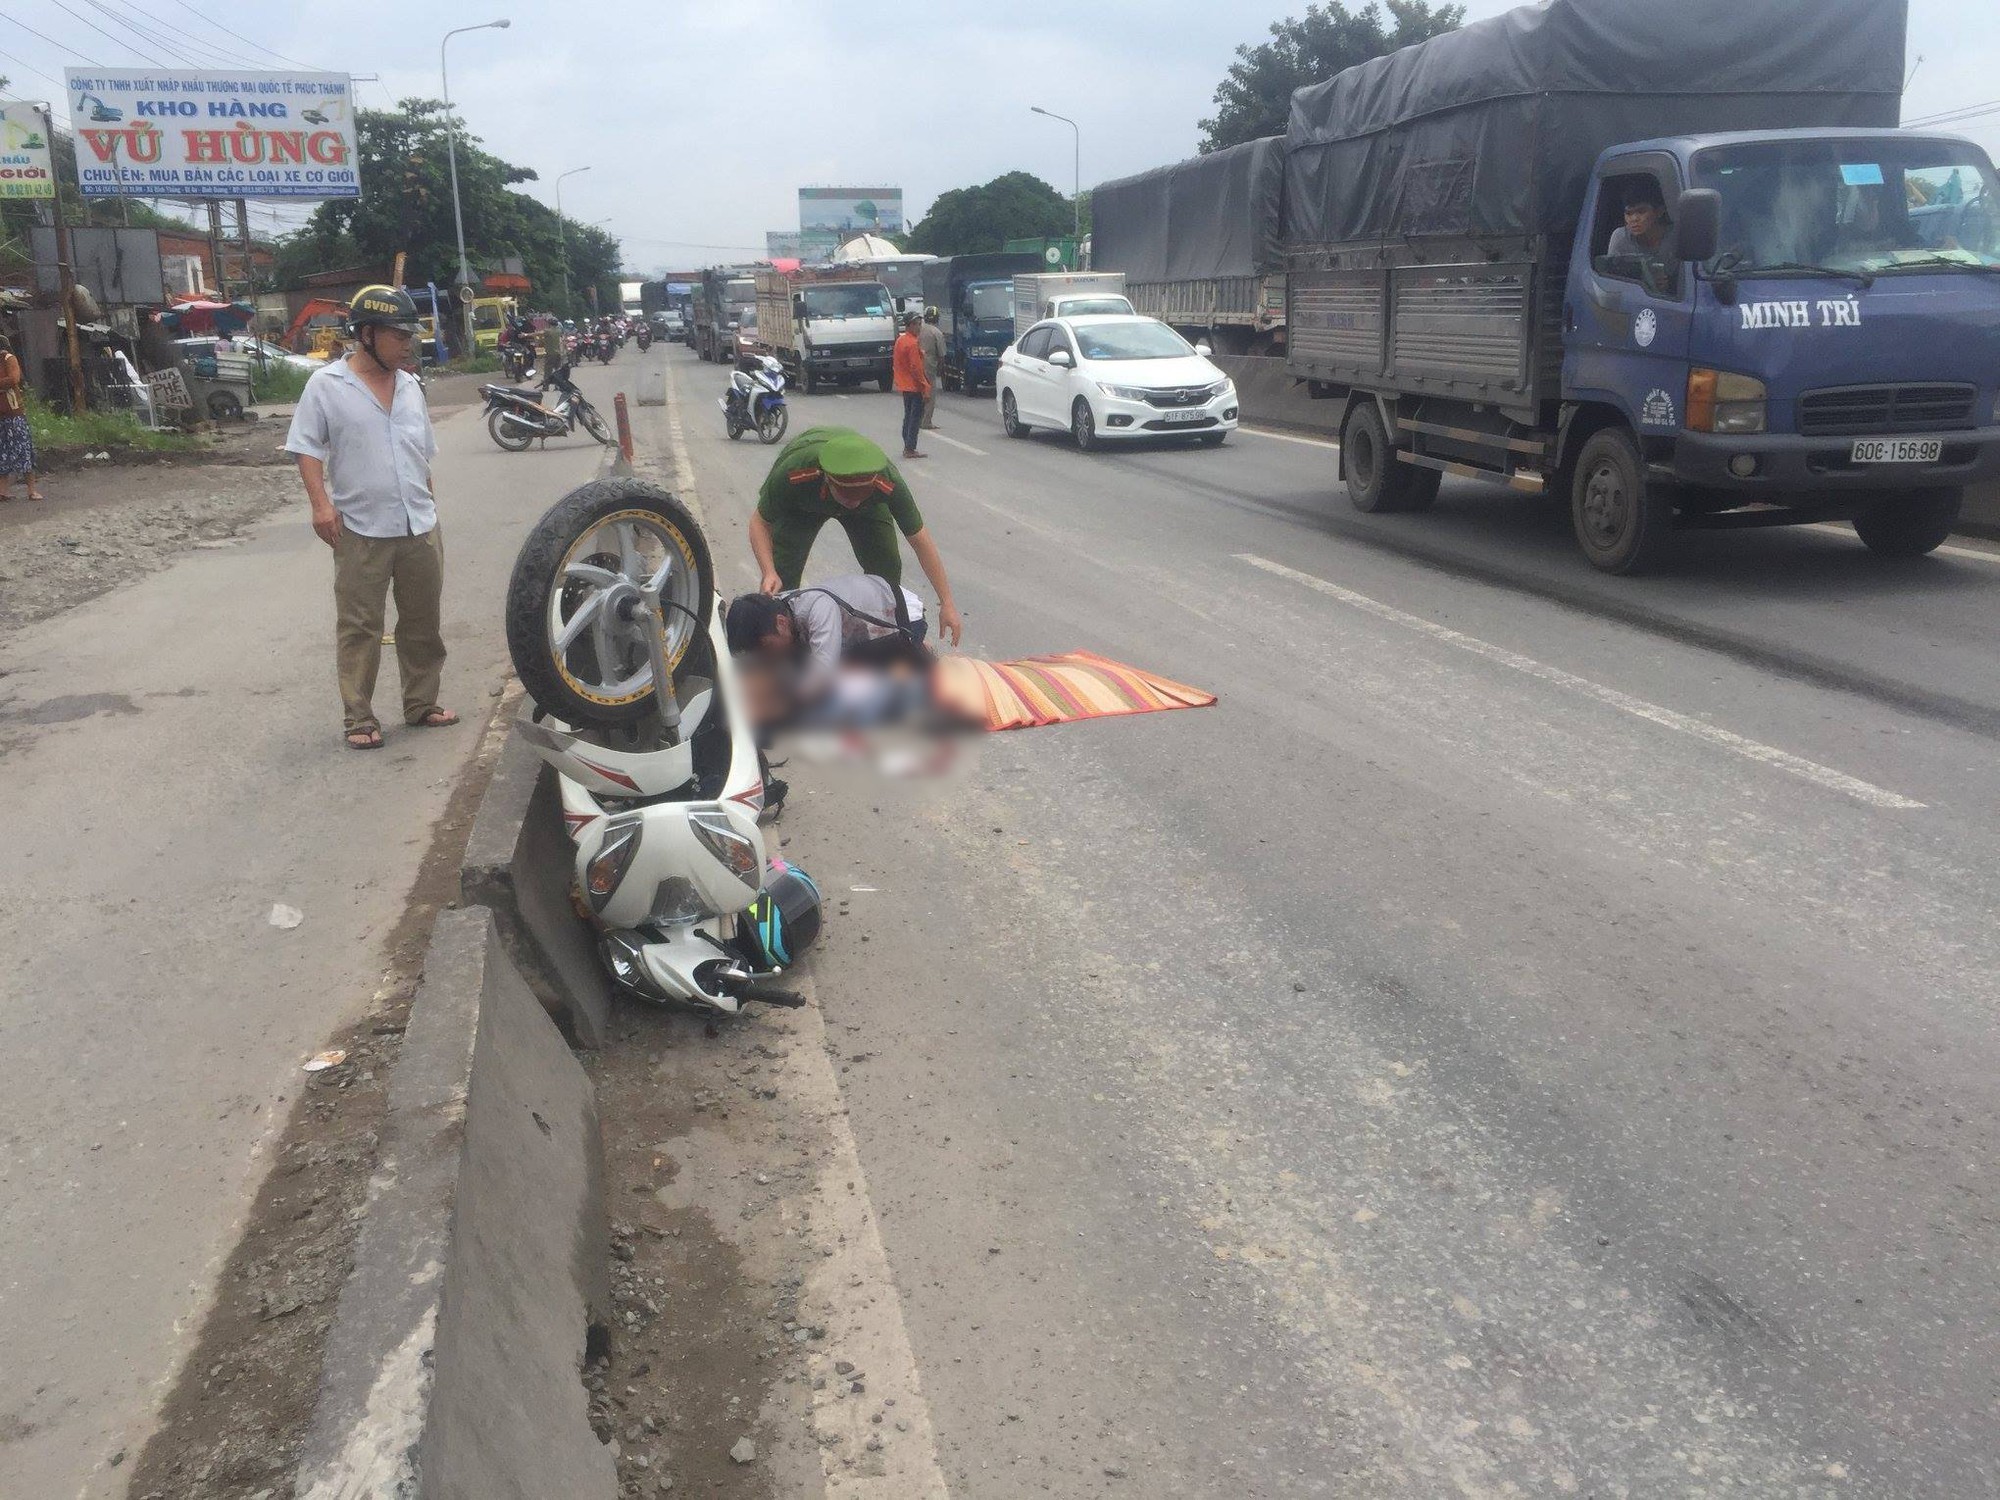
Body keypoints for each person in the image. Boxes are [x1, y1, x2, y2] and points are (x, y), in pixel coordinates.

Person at [285, 285, 458, 750]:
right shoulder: (327, 386)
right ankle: (359, 718)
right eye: (398, 335)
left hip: (418, 524)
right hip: (361, 527)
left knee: (423, 622)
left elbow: (421, 454)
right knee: (360, 626)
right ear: (366, 335)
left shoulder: (409, 387)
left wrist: (430, 503)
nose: (408, 343)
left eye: (409, 335)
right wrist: (321, 505)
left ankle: (421, 704)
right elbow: (305, 447)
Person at [748, 426, 963, 645]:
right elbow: (760, 522)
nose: (852, 503)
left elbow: (919, 539)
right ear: (828, 480)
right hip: (803, 504)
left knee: (886, 573)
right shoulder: (797, 471)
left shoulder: (885, 480)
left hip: (867, 511)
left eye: (859, 497)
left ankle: (884, 644)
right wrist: (768, 571)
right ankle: (778, 649)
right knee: (781, 585)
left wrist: (947, 602)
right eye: (847, 497)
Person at [726, 573, 930, 698]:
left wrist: (781, 696)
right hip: (858, 632)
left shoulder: (818, 607)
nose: (767, 657)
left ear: (781, 623)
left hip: (903, 621)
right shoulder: (776, 608)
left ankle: (923, 658)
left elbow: (822, 675)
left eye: (768, 648)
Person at [0, 333, 44, 502]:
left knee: (23, 451)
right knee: (3, 454)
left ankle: (31, 491)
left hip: (13, 414)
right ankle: (2, 491)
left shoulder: (9, 359)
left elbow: (14, 379)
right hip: (3, 415)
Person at [1608, 181, 1675, 263]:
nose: (1634, 219)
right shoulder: (1621, 237)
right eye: (1629, 213)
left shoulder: (1675, 237)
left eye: (1641, 212)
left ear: (1659, 212)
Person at [892, 311, 929, 459]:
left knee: (908, 416)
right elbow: (916, 367)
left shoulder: (900, 341)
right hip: (914, 386)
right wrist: (924, 385)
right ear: (910, 325)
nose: (919, 327)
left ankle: (907, 445)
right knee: (915, 418)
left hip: (904, 385)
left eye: (920, 324)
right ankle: (910, 448)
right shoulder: (912, 343)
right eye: (917, 324)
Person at [918, 306, 946, 430]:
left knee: (918, 393)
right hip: (929, 366)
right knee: (930, 394)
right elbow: (941, 355)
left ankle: (917, 419)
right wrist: (940, 370)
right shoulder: (937, 333)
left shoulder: (919, 330)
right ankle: (926, 422)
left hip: (917, 365)